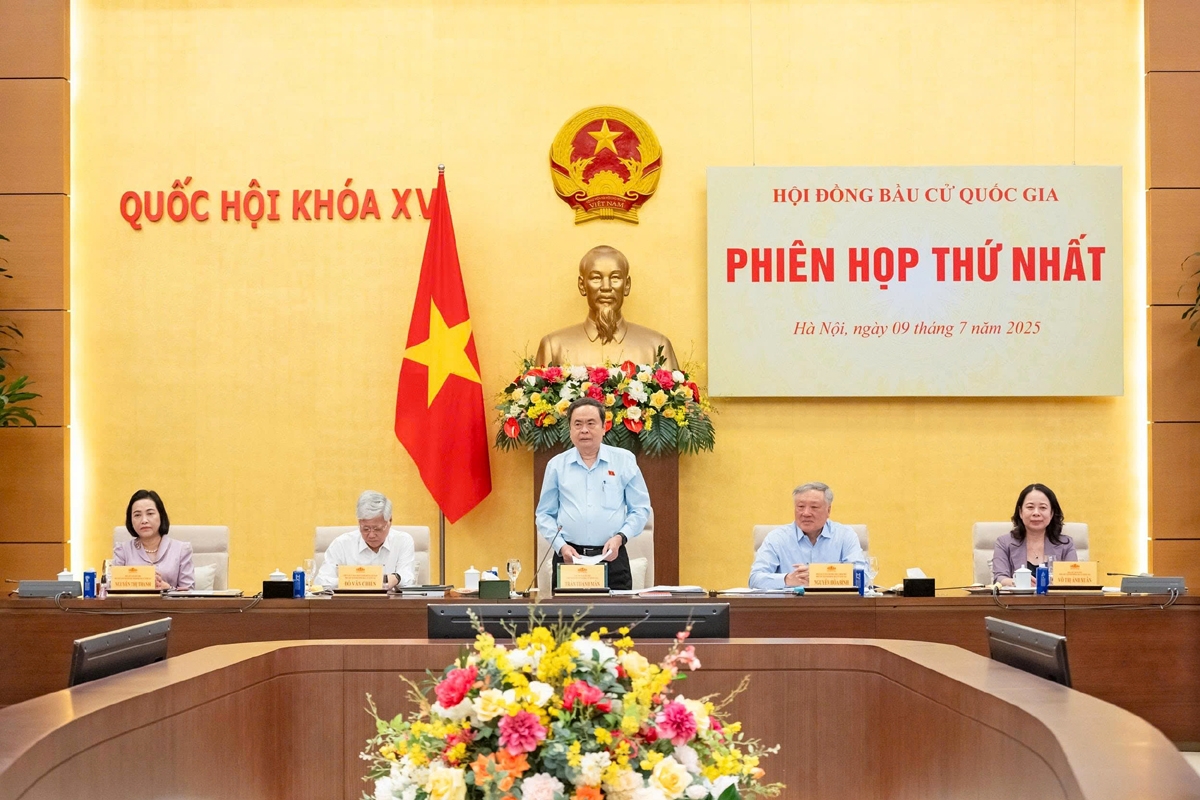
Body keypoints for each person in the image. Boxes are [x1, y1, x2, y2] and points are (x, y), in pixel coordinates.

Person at [535, 397, 651, 591]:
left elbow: (640, 509)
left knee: (616, 619)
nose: (584, 430)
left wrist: (620, 538)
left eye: (591, 423)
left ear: (604, 427)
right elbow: (544, 514)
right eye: (577, 424)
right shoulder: (556, 465)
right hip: (569, 558)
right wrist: (561, 546)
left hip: (612, 557)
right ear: (570, 430)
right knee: (568, 620)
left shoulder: (624, 461)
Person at [535, 245, 679, 369]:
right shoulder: (553, 347)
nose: (606, 287)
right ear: (582, 285)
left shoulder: (657, 347)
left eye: (615, 277)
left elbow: (681, 400)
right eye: (596, 278)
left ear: (627, 285)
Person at [749, 482, 865, 589]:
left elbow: (863, 576)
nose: (806, 513)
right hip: (790, 607)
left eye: (814, 507)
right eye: (800, 507)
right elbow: (755, 579)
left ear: (828, 510)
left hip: (834, 607)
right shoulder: (777, 538)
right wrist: (787, 579)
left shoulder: (845, 535)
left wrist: (820, 575)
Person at [315, 490, 417, 590]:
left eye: (377, 529)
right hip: (351, 605)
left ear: (389, 521)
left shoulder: (403, 541)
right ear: (359, 523)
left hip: (391, 605)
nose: (371, 535)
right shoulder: (341, 544)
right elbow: (321, 582)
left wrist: (396, 578)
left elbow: (408, 578)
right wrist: (353, 581)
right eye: (366, 529)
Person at [992, 483, 1078, 586]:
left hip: (1055, 601)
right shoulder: (1004, 543)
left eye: (1042, 508)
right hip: (1015, 601)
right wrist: (1018, 582)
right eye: (1030, 507)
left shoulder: (1066, 545)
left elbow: (1072, 581)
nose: (1036, 513)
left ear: (1052, 513)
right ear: (1020, 512)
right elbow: (999, 578)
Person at [113, 489, 195, 591]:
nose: (144, 520)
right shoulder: (123, 551)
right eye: (137, 515)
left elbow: (190, 594)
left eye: (150, 513)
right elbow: (113, 590)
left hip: (171, 606)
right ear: (131, 520)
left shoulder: (181, 550)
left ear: (161, 516)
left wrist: (168, 589)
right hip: (133, 606)